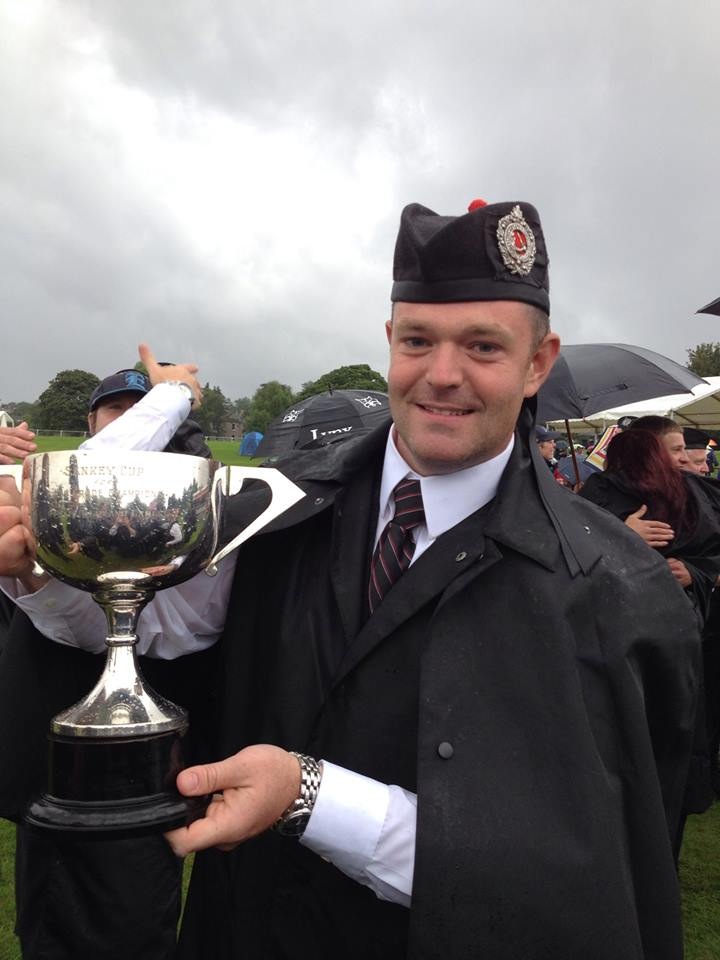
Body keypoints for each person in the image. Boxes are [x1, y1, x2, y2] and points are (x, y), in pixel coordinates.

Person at [0, 201, 702, 959]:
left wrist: (311, 797)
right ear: (389, 342)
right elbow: (170, 626)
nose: (442, 374)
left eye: (483, 346)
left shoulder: (611, 591)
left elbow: (588, 874)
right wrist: (39, 569)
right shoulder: (282, 502)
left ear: (538, 362)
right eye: (418, 340)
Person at [0, 354, 215, 960]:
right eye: (116, 410)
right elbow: (79, 629)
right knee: (45, 924)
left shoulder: (187, 508)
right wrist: (38, 583)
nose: (129, 419)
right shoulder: (54, 497)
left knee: (135, 923)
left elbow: (170, 633)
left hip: (144, 777)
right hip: (47, 774)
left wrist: (171, 396)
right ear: (93, 424)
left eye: (140, 411)